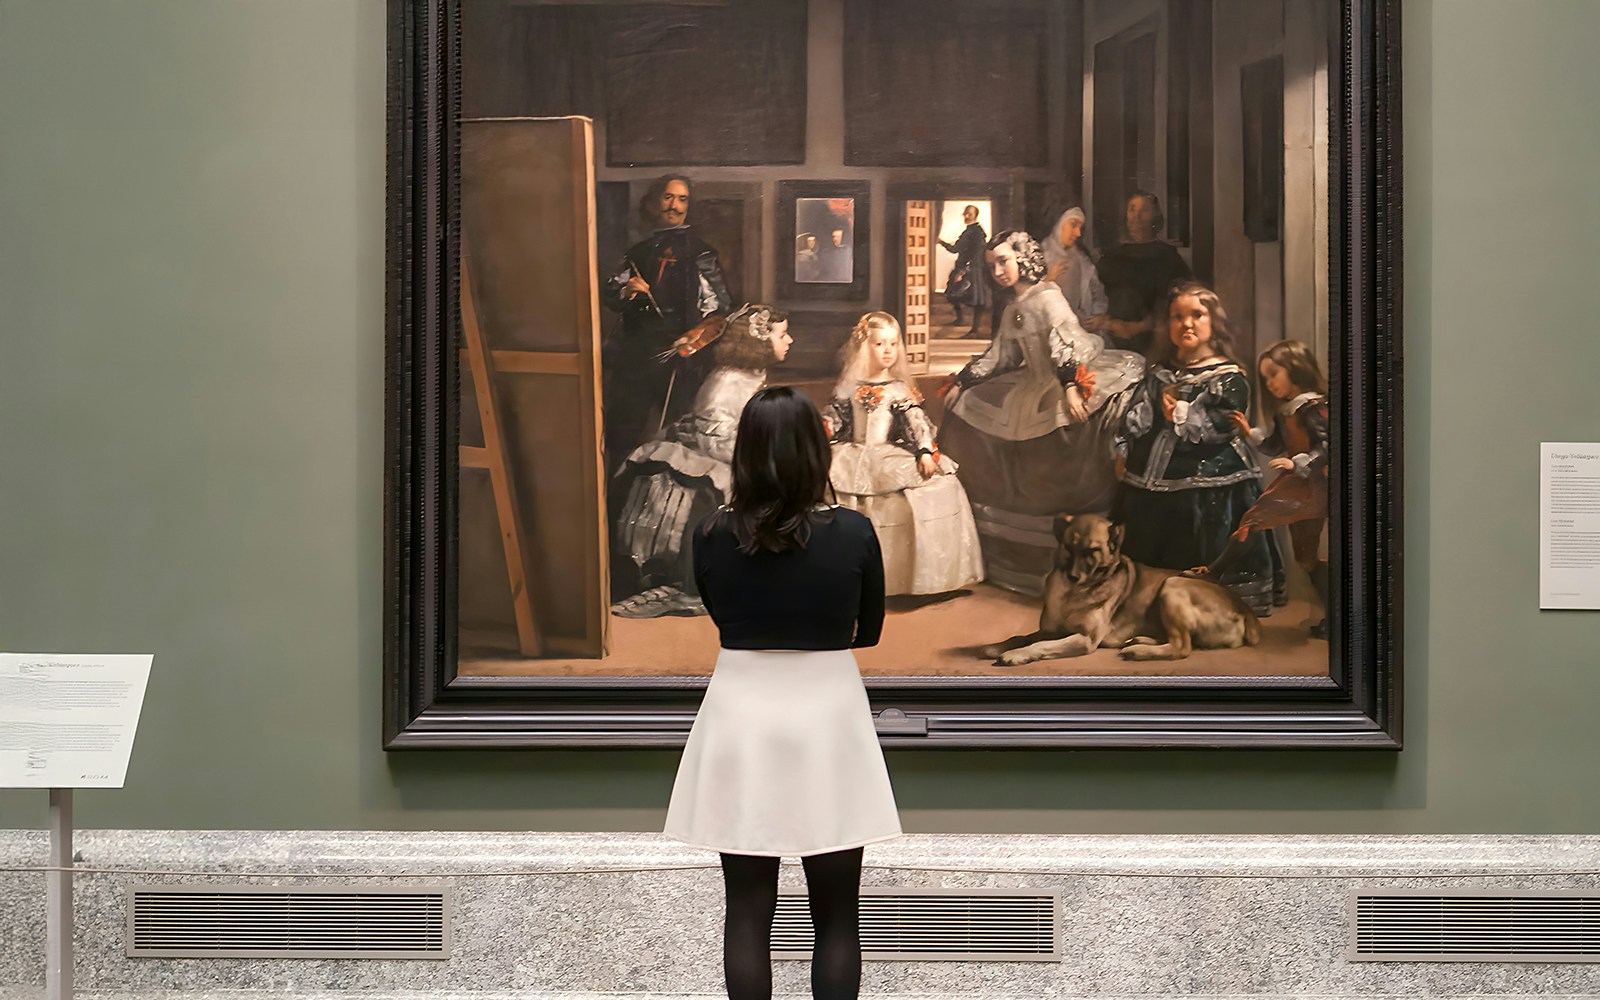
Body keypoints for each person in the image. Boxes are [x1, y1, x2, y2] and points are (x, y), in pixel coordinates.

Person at [664, 386, 900, 1000]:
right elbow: (868, 632)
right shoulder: (853, 532)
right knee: (838, 915)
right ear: (816, 451)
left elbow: (722, 618)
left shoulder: (712, 533)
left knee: (746, 909)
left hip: (741, 711)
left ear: (745, 453)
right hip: (828, 712)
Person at [610, 305, 792, 617]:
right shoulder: (727, 381)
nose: (790, 340)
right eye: (783, 334)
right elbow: (713, 438)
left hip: (726, 451)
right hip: (703, 455)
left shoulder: (750, 374)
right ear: (760, 339)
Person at [1113, 282, 1275, 615]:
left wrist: (1181, 414)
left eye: (1196, 315)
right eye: (1177, 317)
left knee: (1204, 533)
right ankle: (1150, 599)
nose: (1186, 324)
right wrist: (1126, 442)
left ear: (1213, 322)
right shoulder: (1159, 372)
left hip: (1212, 475)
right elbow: (1136, 413)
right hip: (1152, 477)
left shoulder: (1227, 375)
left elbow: (1225, 422)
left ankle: (1210, 603)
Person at [824, 312, 983, 596]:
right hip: (853, 451)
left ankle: (911, 578)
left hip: (887, 453)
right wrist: (822, 431)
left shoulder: (899, 388)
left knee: (941, 484)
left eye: (893, 344)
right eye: (880, 344)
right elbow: (835, 418)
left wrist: (924, 450)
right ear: (864, 346)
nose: (888, 351)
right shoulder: (849, 384)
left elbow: (917, 423)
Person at [1191, 339, 1331, 637]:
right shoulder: (1286, 411)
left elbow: (1327, 447)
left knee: (1254, 520)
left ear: (1295, 368)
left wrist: (1297, 464)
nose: (1269, 383)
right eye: (1265, 377)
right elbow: (1275, 444)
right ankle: (1337, 615)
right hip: (1298, 482)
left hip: (1313, 483)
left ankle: (1215, 572)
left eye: (1274, 374)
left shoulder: (1312, 406)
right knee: (1304, 558)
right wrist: (1248, 432)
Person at [600, 174, 733, 473]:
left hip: (679, 360)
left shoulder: (702, 253)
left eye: (682, 199)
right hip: (634, 358)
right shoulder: (638, 252)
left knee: (676, 437)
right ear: (654, 201)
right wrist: (626, 290)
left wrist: (694, 336)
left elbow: (720, 308)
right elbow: (612, 296)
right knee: (622, 435)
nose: (674, 206)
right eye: (668, 197)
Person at [1096, 191, 1193, 357]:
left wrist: (1136, 327)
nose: (1137, 217)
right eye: (1132, 209)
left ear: (1155, 216)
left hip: (1153, 343)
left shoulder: (1168, 257)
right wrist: (1107, 323)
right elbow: (1096, 297)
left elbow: (1179, 304)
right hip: (1111, 342)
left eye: (1145, 210)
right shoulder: (1111, 257)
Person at [1042, 206, 1108, 328]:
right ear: (1058, 225)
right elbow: (1024, 303)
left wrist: (1099, 315)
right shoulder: (1039, 257)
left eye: (1080, 227)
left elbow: (1097, 293)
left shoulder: (1082, 260)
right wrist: (1047, 280)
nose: (1078, 233)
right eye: (1073, 225)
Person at [938, 204, 990, 335]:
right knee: (951, 294)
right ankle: (960, 319)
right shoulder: (968, 231)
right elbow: (956, 249)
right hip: (963, 267)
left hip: (973, 270)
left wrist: (963, 271)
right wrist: (941, 242)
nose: (966, 216)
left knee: (977, 300)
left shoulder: (978, 232)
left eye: (969, 214)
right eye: (965, 213)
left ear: (975, 216)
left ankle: (974, 329)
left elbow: (976, 254)